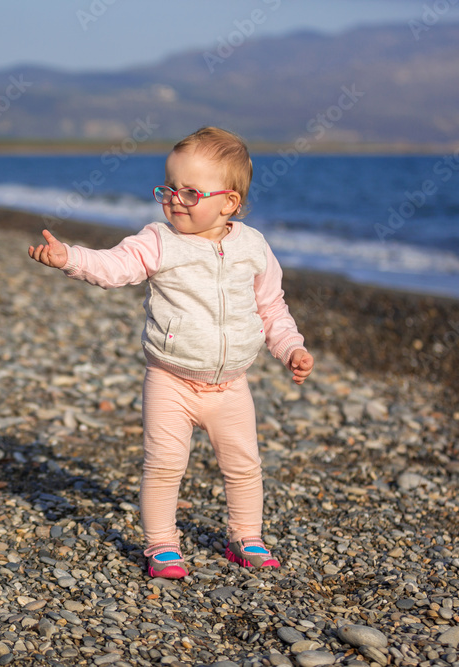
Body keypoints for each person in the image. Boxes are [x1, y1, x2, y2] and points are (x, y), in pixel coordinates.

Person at [28, 127, 313, 578]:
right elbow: (114, 267)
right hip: (170, 380)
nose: (175, 199)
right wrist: (71, 258)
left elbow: (271, 307)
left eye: (191, 192)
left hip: (230, 384)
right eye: (169, 188)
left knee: (243, 465)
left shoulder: (253, 247)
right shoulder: (158, 241)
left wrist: (290, 347)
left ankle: (246, 536)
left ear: (229, 203)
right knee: (163, 465)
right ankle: (161, 545)